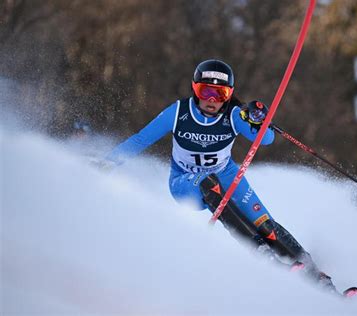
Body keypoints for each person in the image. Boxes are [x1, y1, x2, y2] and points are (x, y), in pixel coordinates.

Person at [102, 59, 342, 294]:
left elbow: (266, 140)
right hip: (185, 183)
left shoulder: (234, 115)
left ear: (229, 95)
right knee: (209, 182)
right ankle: (261, 253)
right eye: (205, 91)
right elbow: (141, 139)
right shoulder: (178, 112)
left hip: (227, 174)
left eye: (220, 93)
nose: (211, 100)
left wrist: (258, 121)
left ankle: (316, 276)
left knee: (265, 223)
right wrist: (108, 161)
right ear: (195, 89)